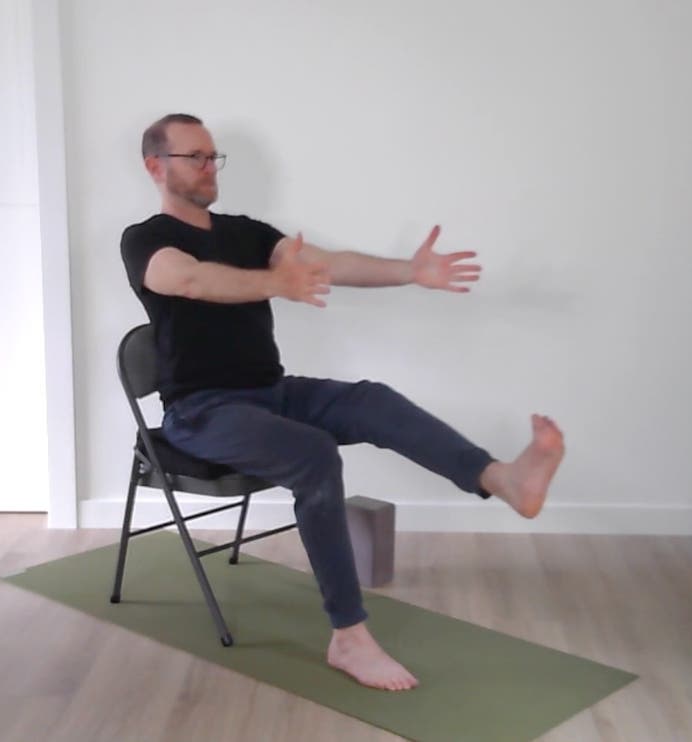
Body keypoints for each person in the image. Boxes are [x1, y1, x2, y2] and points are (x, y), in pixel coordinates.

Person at [120, 113, 565, 692]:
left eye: (213, 156)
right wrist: (275, 284)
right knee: (312, 453)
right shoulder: (145, 239)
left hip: (269, 393)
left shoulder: (246, 233)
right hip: (200, 413)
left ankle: (501, 478)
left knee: (372, 402)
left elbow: (329, 263)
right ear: (156, 167)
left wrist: (410, 271)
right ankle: (349, 636)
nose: (209, 167)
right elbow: (191, 280)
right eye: (194, 157)